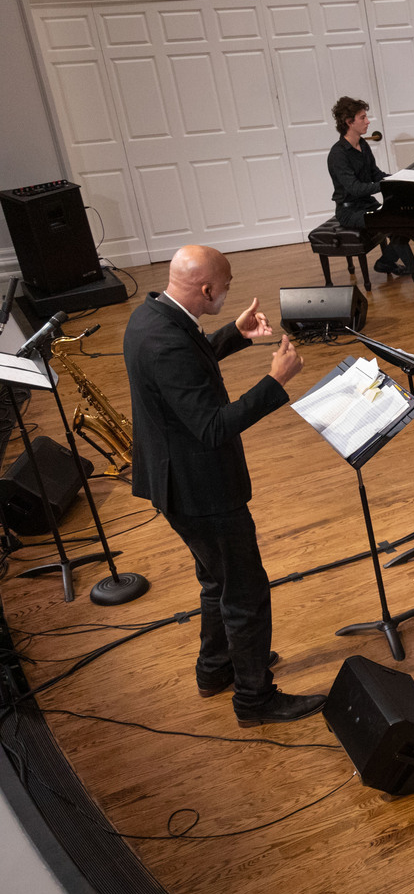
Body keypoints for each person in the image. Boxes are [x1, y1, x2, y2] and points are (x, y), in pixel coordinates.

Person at [123, 246, 325, 726]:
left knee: (217, 581)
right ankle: (255, 699)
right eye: (227, 284)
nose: (232, 288)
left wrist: (234, 334)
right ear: (206, 289)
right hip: (201, 491)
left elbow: (188, 368)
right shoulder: (167, 341)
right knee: (245, 592)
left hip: (176, 482)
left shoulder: (151, 315)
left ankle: (216, 669)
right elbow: (212, 426)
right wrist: (274, 382)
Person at [326, 97, 414, 282]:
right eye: (362, 118)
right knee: (395, 222)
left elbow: (375, 174)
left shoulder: (363, 144)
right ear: (349, 122)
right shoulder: (338, 155)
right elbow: (355, 188)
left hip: (367, 203)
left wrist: (398, 178)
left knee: (404, 217)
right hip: (349, 210)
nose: (367, 121)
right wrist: (389, 185)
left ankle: (386, 263)